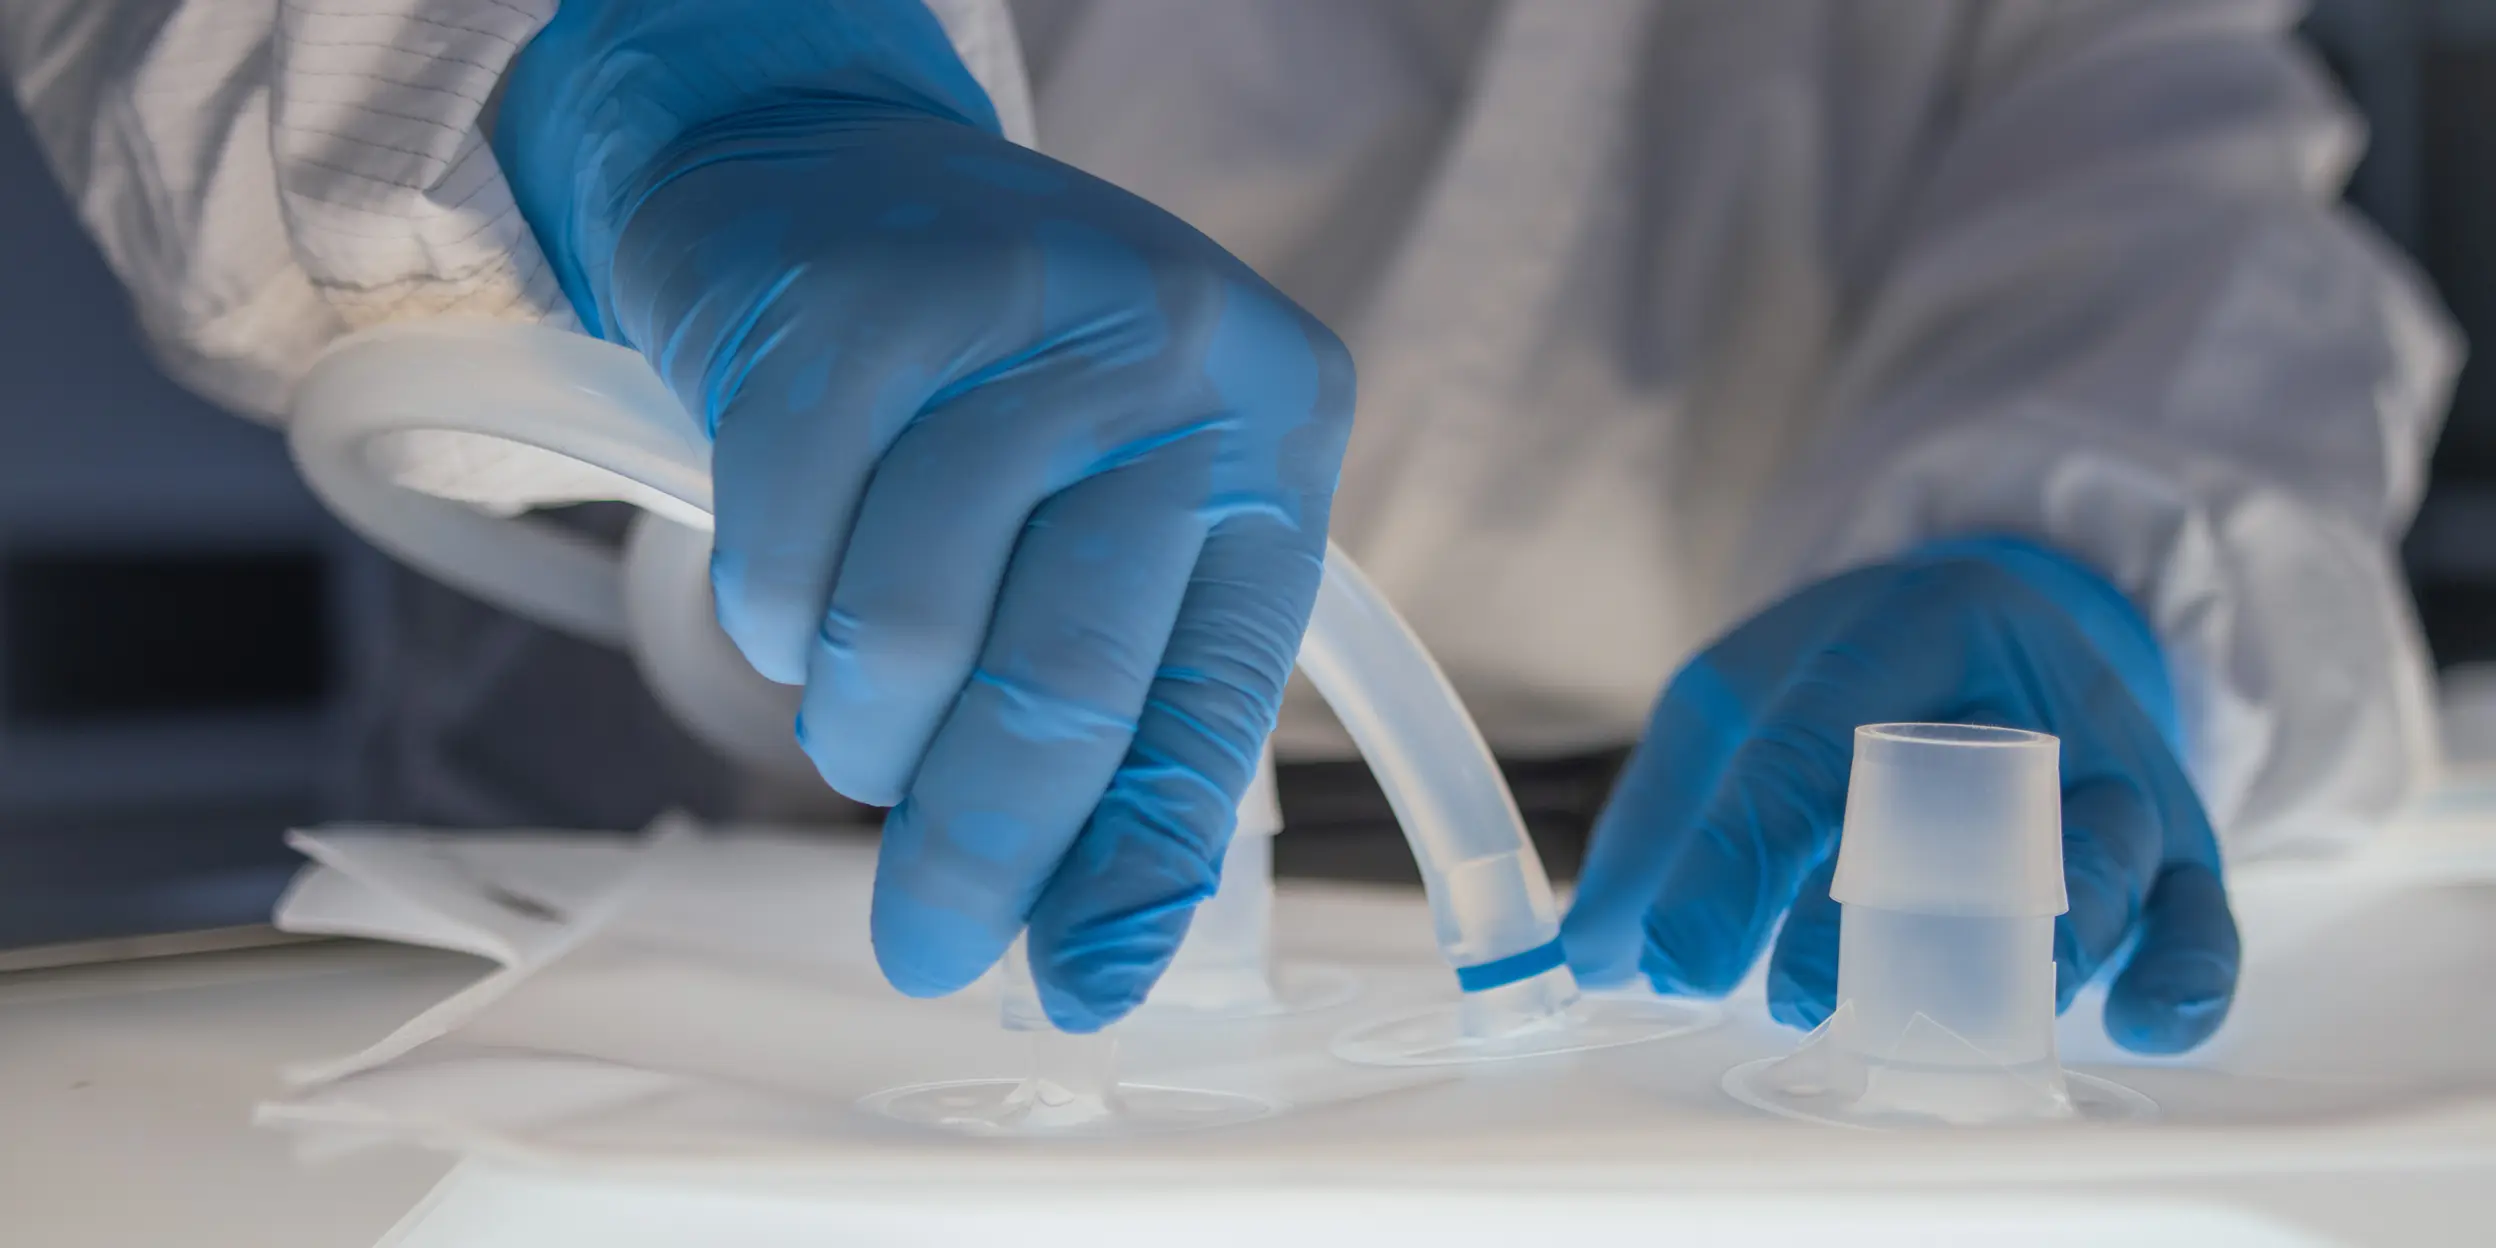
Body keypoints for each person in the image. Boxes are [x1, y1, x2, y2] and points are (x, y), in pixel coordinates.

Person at [1, 0, 2456, 1052]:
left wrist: (2071, 564)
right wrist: (695, 75)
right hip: (712, 844)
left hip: (1672, 890)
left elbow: (2170, 182)